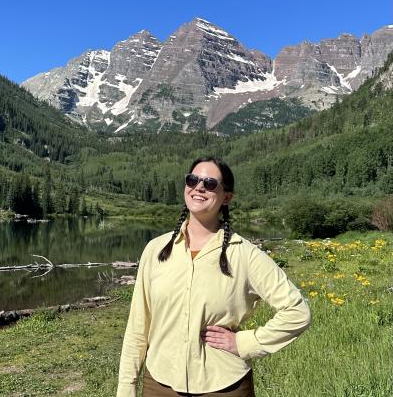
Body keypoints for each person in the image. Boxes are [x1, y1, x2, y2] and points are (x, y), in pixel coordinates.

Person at [117, 157, 311, 397]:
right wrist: (126, 387)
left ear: (226, 197)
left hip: (224, 386)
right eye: (192, 180)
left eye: (209, 183)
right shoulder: (156, 250)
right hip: (160, 383)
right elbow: (138, 326)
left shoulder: (244, 254)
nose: (199, 187)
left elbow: (297, 311)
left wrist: (244, 343)